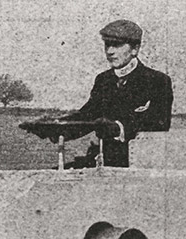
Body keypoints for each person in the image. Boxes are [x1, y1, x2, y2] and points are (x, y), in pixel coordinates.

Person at [55, 19, 173, 168]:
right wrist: (58, 126)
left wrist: (118, 128)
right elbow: (88, 116)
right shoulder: (103, 80)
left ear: (135, 49)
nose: (110, 51)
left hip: (139, 164)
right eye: (107, 45)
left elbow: (159, 124)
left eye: (116, 45)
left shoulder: (158, 81)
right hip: (103, 160)